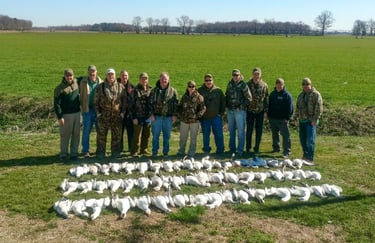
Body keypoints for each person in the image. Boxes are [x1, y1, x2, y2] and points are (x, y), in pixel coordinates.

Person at [94, 68, 126, 159]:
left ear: (115, 76)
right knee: (101, 136)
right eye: (109, 75)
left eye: (112, 74)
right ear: (106, 76)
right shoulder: (100, 87)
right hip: (103, 116)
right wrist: (98, 113)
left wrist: (123, 113)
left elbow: (125, 101)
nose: (110, 76)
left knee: (117, 136)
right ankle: (100, 153)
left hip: (117, 116)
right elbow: (95, 102)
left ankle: (115, 152)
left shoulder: (121, 87)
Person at [53, 68, 81, 162]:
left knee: (76, 135)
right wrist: (60, 117)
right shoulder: (59, 89)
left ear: (73, 76)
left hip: (77, 113)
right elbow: (57, 104)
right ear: (64, 77)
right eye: (67, 76)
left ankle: (74, 153)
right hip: (66, 115)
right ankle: (64, 154)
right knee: (65, 135)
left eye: (71, 75)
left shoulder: (77, 83)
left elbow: (89, 77)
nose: (69, 77)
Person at [150, 72, 179, 158]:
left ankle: (165, 152)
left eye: (165, 79)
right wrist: (151, 114)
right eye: (162, 79)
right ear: (160, 79)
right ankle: (154, 152)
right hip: (156, 117)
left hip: (168, 118)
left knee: (167, 136)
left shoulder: (173, 91)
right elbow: (149, 104)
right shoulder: (154, 91)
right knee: (155, 136)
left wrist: (174, 115)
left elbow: (176, 104)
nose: (164, 80)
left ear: (168, 80)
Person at [294, 77, 323, 163]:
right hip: (302, 120)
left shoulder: (316, 94)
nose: (306, 86)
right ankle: (305, 155)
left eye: (307, 84)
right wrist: (295, 118)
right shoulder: (301, 95)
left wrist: (315, 119)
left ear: (311, 85)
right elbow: (297, 107)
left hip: (311, 121)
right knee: (303, 139)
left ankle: (310, 158)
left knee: (310, 140)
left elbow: (319, 108)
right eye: (304, 84)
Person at [225, 69, 252, 158]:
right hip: (230, 111)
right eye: (234, 75)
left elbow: (249, 98)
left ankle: (240, 150)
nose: (235, 77)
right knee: (231, 131)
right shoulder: (230, 84)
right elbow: (227, 95)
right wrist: (226, 106)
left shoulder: (243, 85)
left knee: (240, 132)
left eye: (237, 75)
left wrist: (240, 106)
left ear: (240, 76)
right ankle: (232, 149)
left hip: (240, 111)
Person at [197, 73, 225, 155]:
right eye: (206, 80)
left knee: (219, 134)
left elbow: (223, 103)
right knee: (206, 135)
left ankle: (220, 150)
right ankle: (206, 150)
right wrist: (199, 115)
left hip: (216, 117)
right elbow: (197, 104)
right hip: (205, 118)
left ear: (213, 81)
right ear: (204, 81)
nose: (208, 82)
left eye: (210, 80)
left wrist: (221, 113)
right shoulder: (200, 91)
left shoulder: (218, 91)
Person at [78, 65, 103, 158]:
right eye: (90, 71)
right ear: (88, 72)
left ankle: (99, 150)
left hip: (98, 111)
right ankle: (85, 151)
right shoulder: (83, 82)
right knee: (86, 131)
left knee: (99, 131)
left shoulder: (101, 82)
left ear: (96, 72)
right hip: (87, 110)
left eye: (93, 71)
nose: (92, 73)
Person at [177, 81, 206, 158]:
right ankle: (181, 152)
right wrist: (180, 115)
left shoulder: (199, 97)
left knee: (193, 138)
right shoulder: (184, 97)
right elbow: (180, 107)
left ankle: (191, 153)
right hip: (184, 121)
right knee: (183, 138)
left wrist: (197, 116)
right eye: (190, 86)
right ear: (187, 87)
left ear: (195, 87)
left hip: (194, 122)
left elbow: (203, 108)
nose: (191, 88)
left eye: (193, 86)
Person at [268, 78, 294, 158]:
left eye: (281, 85)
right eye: (278, 85)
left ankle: (286, 151)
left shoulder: (287, 95)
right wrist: (269, 116)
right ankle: (276, 148)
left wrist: (287, 118)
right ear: (275, 85)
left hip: (283, 119)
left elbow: (290, 108)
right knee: (275, 134)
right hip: (273, 119)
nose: (279, 86)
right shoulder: (272, 94)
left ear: (283, 85)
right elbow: (269, 106)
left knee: (285, 136)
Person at [246, 67, 269, 155]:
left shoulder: (264, 85)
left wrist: (266, 111)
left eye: (258, 74)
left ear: (260, 75)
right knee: (249, 130)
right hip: (250, 111)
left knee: (259, 131)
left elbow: (266, 98)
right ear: (252, 75)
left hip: (260, 111)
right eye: (255, 74)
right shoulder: (247, 84)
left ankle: (257, 148)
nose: (256, 76)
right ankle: (248, 148)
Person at [129, 72, 152, 157]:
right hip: (138, 116)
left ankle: (144, 149)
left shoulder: (150, 89)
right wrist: (134, 117)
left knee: (146, 134)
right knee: (136, 135)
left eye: (146, 78)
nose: (144, 80)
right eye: (142, 78)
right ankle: (134, 151)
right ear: (139, 80)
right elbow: (130, 105)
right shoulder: (135, 90)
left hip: (147, 116)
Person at [117, 70, 134, 153]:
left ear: (128, 77)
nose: (124, 77)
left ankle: (131, 148)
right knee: (119, 132)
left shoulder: (131, 87)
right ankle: (119, 149)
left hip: (129, 114)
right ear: (120, 76)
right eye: (123, 76)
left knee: (130, 132)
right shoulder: (116, 85)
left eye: (126, 76)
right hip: (119, 113)